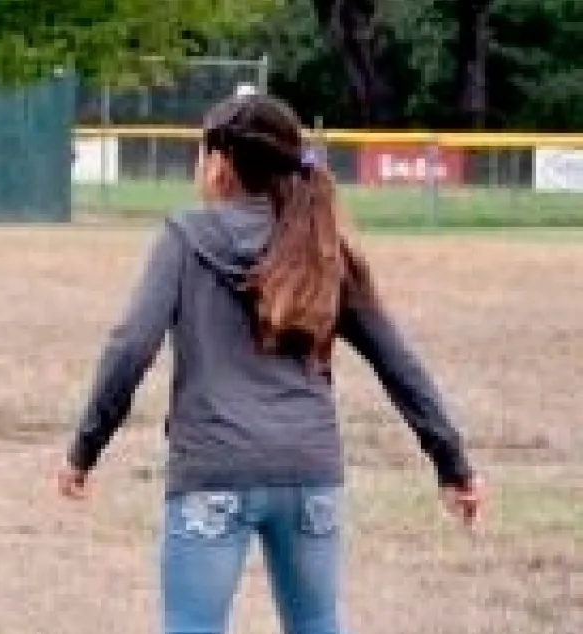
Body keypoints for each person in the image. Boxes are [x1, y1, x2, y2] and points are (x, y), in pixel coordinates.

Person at [55, 92, 485, 634]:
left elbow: (130, 347)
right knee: (317, 623)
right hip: (309, 471)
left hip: (213, 470)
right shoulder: (323, 246)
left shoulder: (183, 239)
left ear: (218, 163)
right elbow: (399, 363)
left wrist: (85, 450)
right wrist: (453, 465)